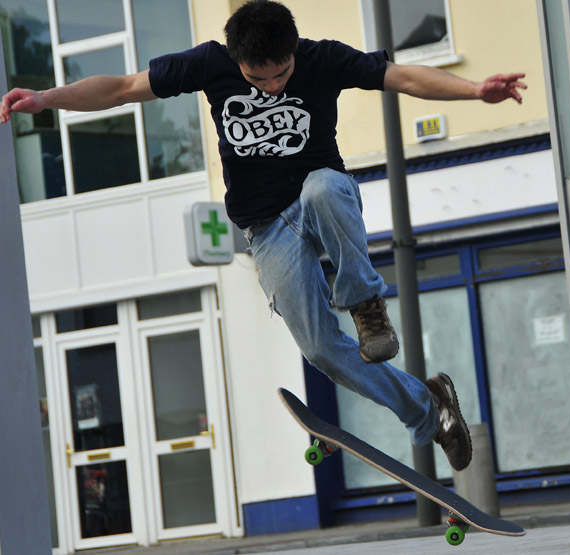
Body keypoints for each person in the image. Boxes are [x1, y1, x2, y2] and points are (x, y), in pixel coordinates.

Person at [1, 0, 527, 472]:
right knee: (320, 348)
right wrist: (47, 98)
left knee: (322, 186)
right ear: (237, 60)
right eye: (259, 80)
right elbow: (119, 89)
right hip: (265, 228)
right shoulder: (208, 64)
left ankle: (366, 304)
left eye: (281, 75)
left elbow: (403, 77)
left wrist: (476, 91)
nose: (273, 87)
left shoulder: (322, 58)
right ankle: (430, 411)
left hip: (325, 200)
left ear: (293, 51)